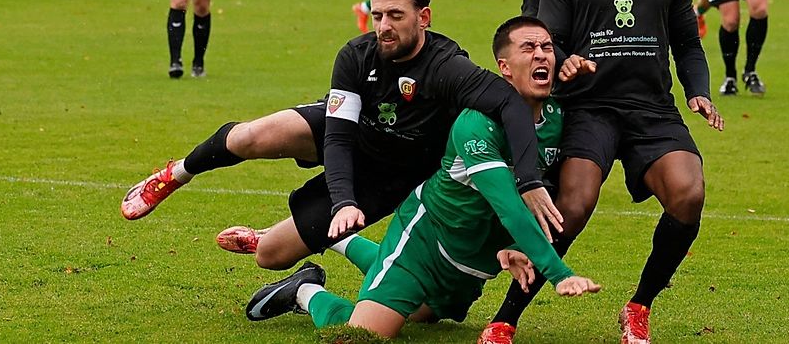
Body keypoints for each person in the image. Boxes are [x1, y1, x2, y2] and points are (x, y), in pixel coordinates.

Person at [121, 0, 560, 273]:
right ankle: (175, 174)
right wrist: (342, 200)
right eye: (378, 14)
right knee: (254, 135)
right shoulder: (356, 55)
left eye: (396, 16)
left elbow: (507, 102)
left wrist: (528, 180)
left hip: (391, 176)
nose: (383, 26)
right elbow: (339, 135)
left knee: (270, 258)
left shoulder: (447, 67)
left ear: (423, 17)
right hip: (351, 136)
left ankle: (269, 237)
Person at [479, 0, 724, 344]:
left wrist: (698, 89)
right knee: (570, 206)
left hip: (652, 110)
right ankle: (505, 320)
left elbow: (688, 44)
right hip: (588, 108)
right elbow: (551, 39)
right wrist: (565, 61)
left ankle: (638, 306)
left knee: (688, 195)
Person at [243, 17, 600, 339]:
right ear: (504, 67)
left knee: (420, 316)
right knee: (366, 334)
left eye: (547, 48)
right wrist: (559, 273)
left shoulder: (559, 117)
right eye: (529, 48)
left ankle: (338, 241)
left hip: (470, 267)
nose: (541, 55)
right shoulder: (477, 124)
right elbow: (509, 207)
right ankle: (306, 292)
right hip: (424, 245)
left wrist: (520, 249)